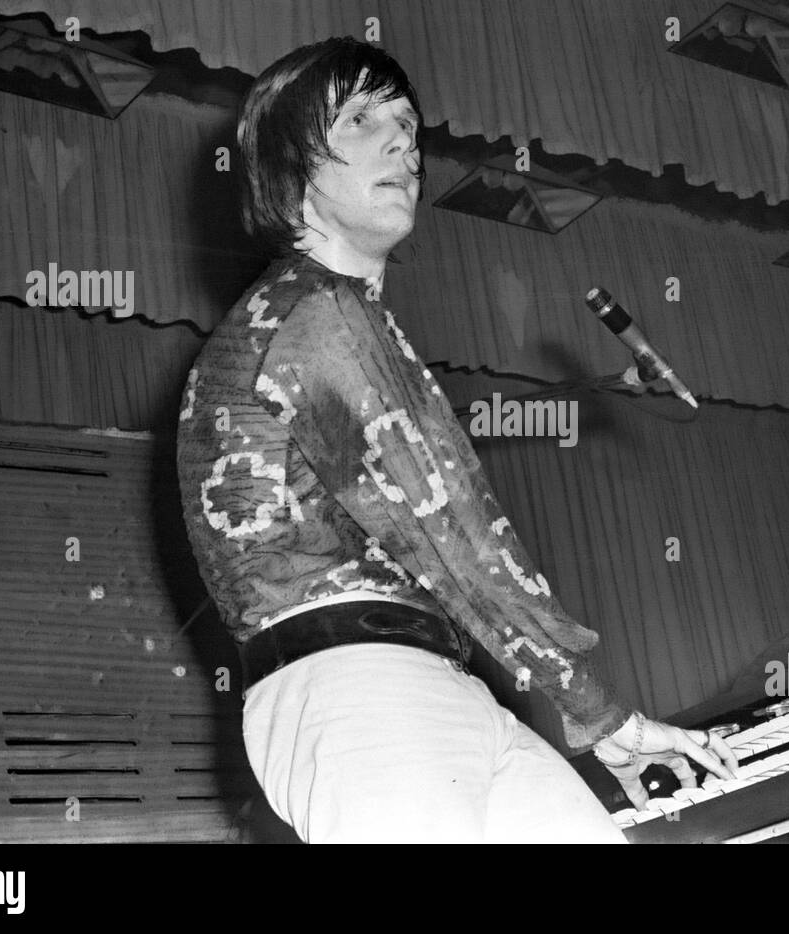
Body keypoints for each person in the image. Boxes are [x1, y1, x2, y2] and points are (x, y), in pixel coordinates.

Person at [176, 35, 737, 843]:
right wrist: (597, 710)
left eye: (407, 121)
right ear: (287, 163)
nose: (404, 139)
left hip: (431, 681)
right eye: (363, 117)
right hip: (356, 688)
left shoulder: (339, 314)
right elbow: (451, 529)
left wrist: (589, 713)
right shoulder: (313, 313)